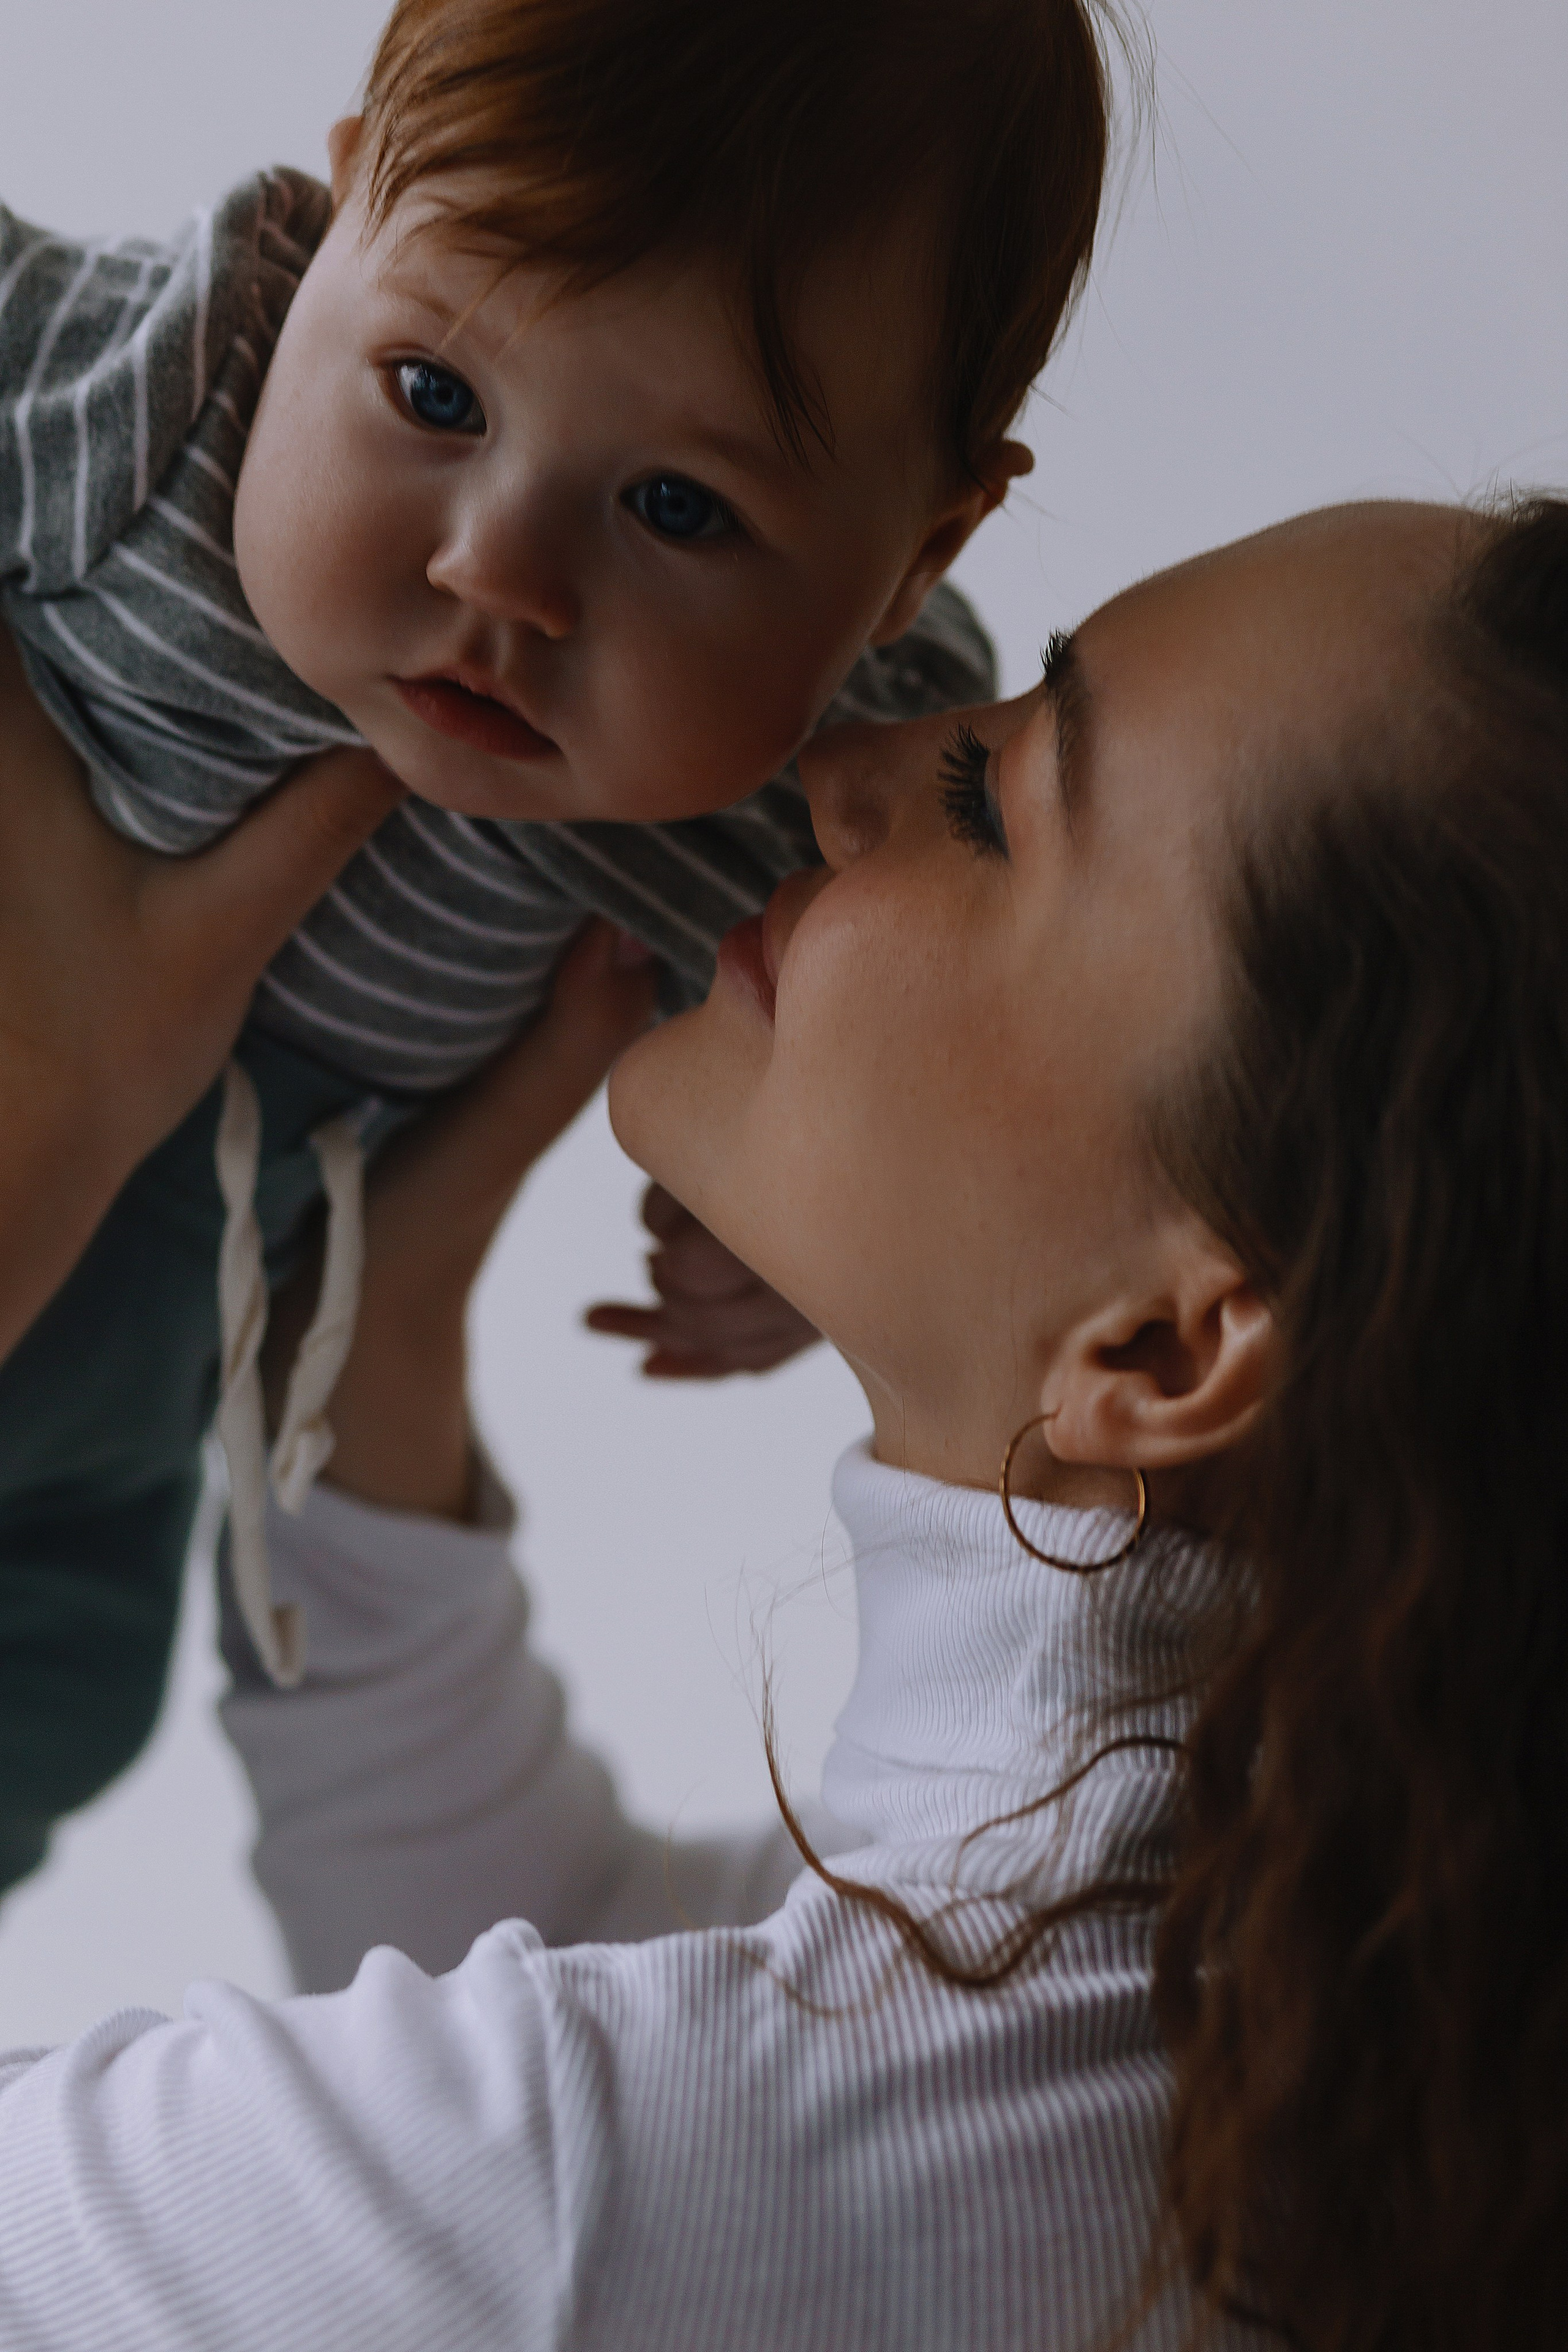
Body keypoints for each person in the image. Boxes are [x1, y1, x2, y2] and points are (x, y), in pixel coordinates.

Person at [4, 488, 1565, 2351]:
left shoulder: (645, 2159)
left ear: (1164, 1350)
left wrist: (53, 1130)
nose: (836, 764)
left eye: (993, 801)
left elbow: (582, 2165)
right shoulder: (1297, 2032)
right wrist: (380, 1331)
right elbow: (599, 1976)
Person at [0, 0, 1114, 1883]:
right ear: (339, 215)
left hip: (91, 1481)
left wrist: (791, 1227)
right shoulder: (160, 404)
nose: (499, 573)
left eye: (679, 506)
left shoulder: (817, 789)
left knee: (66, 1701)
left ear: (913, 558)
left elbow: (898, 1071)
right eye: (433, 396)